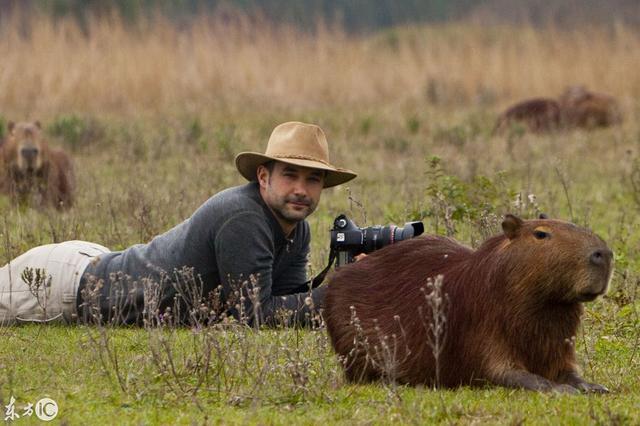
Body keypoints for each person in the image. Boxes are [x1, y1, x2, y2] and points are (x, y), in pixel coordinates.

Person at [0, 121, 357, 327]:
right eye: (290, 175)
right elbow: (255, 316)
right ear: (263, 177)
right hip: (63, 286)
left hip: (98, 262)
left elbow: (289, 304)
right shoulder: (245, 218)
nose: (300, 190)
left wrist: (350, 284)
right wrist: (340, 294)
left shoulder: (297, 228)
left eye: (313, 180)